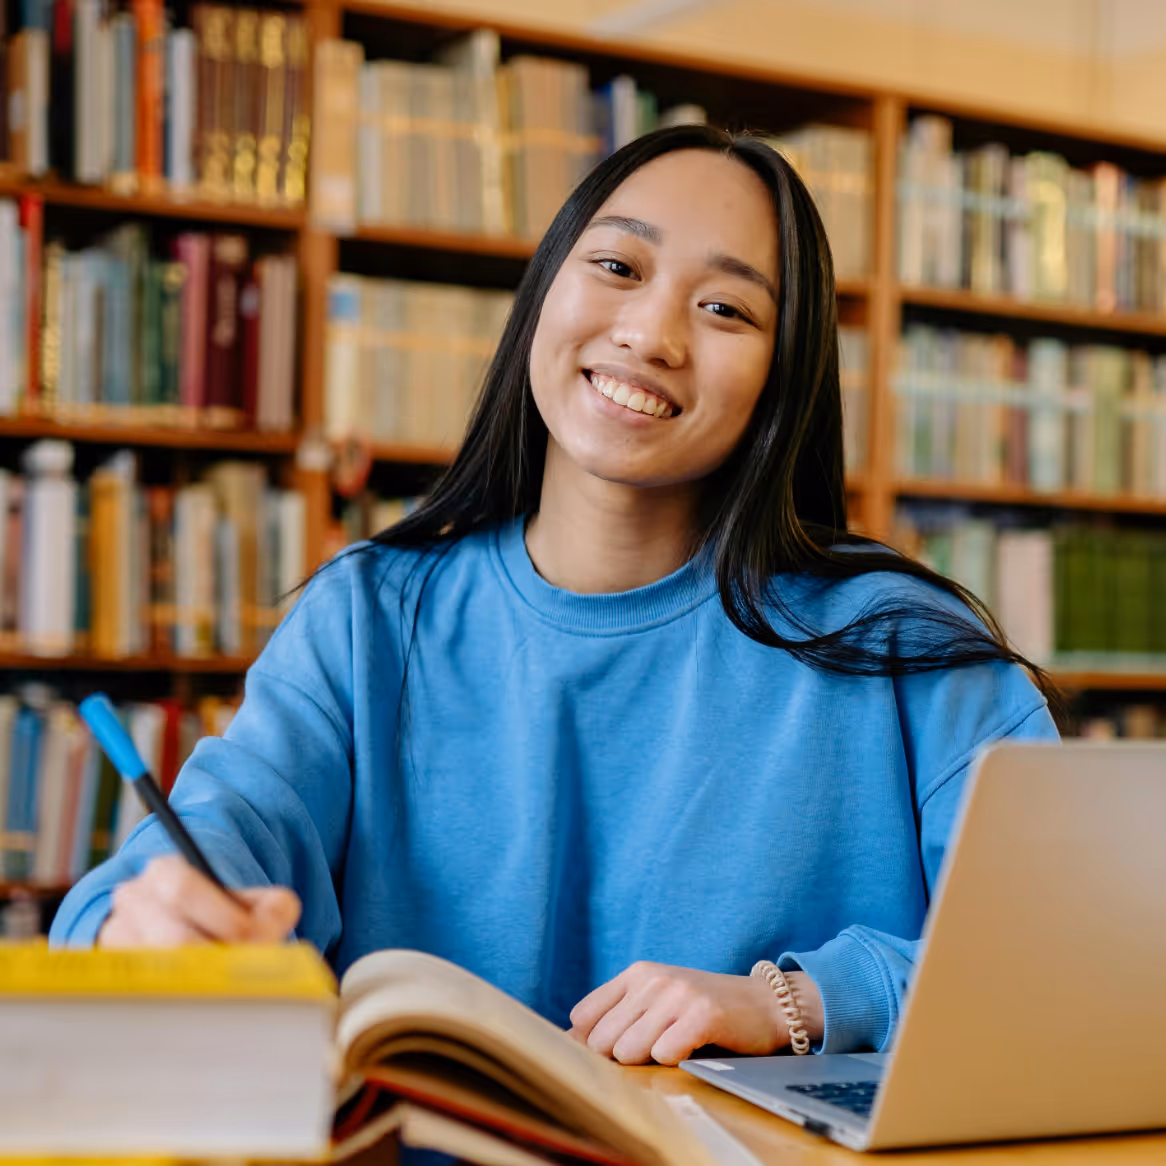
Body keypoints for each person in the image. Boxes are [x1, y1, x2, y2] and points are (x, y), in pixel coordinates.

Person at [51, 125, 1059, 1064]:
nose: (651, 333)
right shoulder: (364, 619)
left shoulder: (907, 647)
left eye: (725, 308)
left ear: (782, 373)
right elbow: (230, 822)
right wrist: (147, 911)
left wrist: (795, 1000)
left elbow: (1070, 959)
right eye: (617, 267)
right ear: (542, 292)